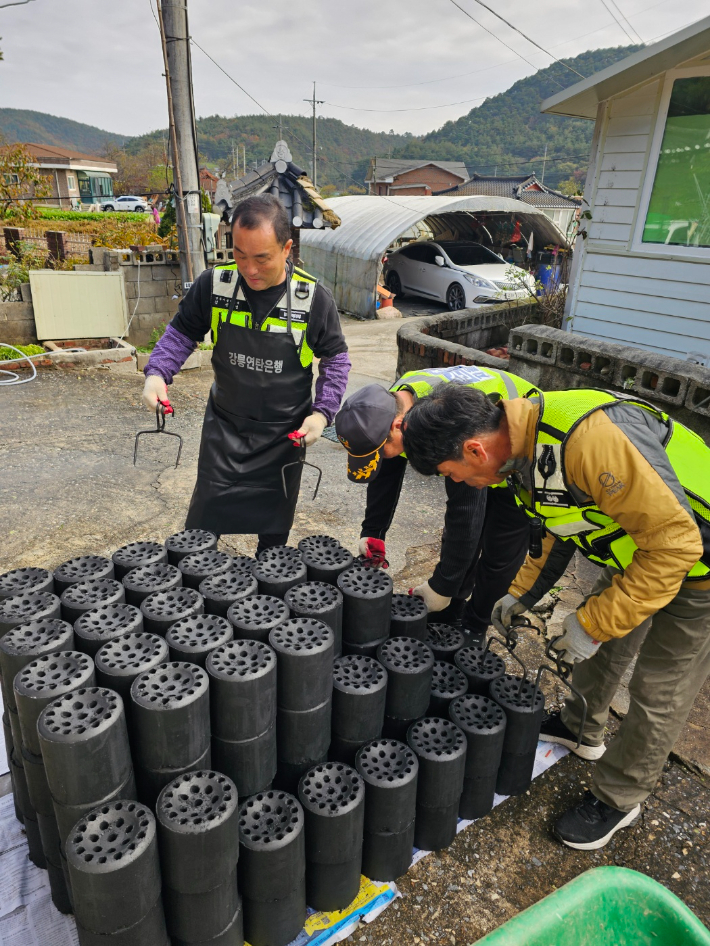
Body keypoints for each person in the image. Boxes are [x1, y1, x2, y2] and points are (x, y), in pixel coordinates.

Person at [402, 383, 710, 850]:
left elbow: (676, 546)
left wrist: (594, 623)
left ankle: (619, 797)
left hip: (696, 562)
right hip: (633, 551)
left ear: (474, 448)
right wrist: (521, 595)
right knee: (601, 652)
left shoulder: (590, 440)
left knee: (659, 687)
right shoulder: (522, 452)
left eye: (456, 474)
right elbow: (559, 523)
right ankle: (579, 728)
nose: (462, 483)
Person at [142, 194, 351, 555]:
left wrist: (322, 413)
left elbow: (335, 359)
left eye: (262, 258)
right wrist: (157, 374)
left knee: (273, 536)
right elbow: (180, 333)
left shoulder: (312, 299)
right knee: (201, 528)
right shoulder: (214, 286)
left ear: (287, 249)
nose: (249, 269)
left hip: (284, 435)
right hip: (225, 428)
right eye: (239, 254)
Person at [334, 364, 534, 635]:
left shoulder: (446, 424)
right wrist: (373, 532)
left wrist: (442, 586)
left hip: (517, 457)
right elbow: (386, 472)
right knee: (467, 547)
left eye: (379, 452)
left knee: (499, 551)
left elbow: (465, 512)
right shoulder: (393, 403)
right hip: (478, 450)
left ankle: (474, 628)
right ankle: (452, 611)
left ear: (398, 427)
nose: (380, 458)